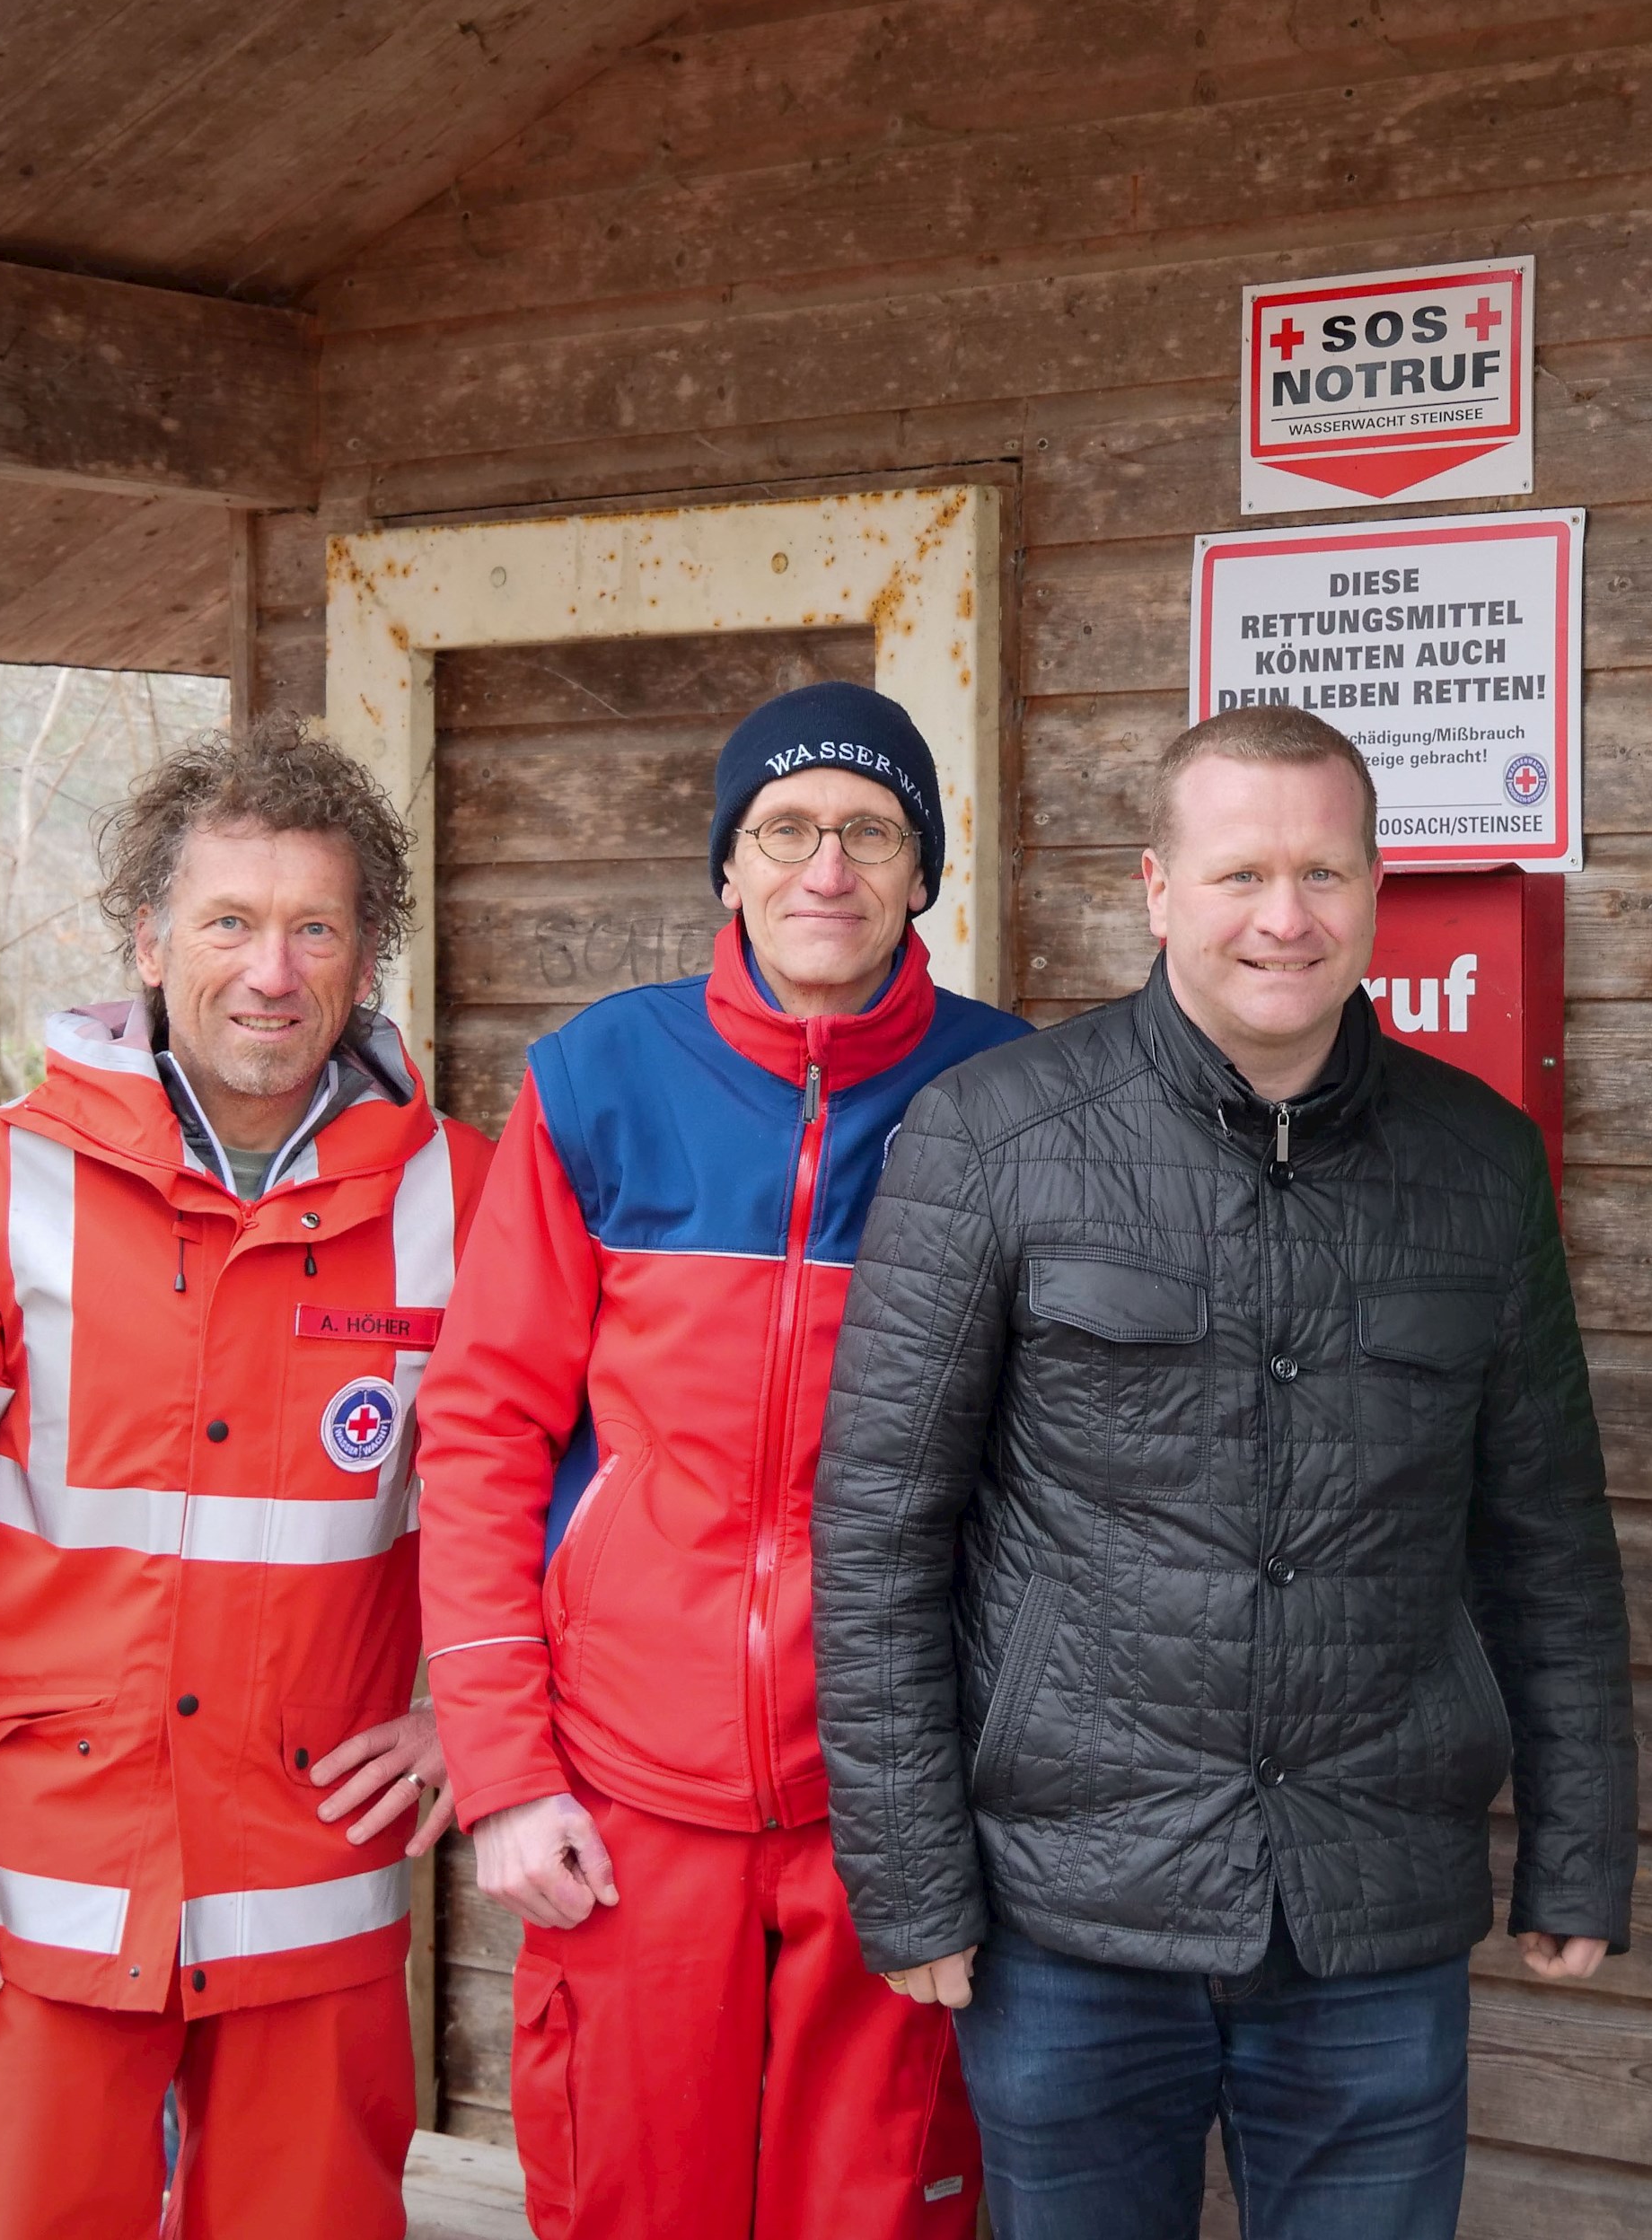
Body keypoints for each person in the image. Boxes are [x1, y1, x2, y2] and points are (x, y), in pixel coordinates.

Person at [811, 705, 1638, 2240]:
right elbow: (877, 1536)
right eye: (1242, 871)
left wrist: (1579, 1845)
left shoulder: (1477, 1162)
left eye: (1324, 873)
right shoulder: (995, 1138)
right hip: (1070, 1908)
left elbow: (1547, 1535)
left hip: (1371, 1902)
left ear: (1378, 891)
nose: (1284, 916)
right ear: (1155, 888)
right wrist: (912, 1879)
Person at [0, 722, 496, 2240]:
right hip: (47, 1880)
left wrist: (474, 1719)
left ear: (364, 954)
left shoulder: (471, 1193)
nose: (272, 971)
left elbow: (562, 1499)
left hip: (314, 1872)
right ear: (147, 939)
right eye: (230, 923)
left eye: (315, 927)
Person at [418, 681, 1024, 2240]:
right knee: (635, 2205)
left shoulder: (1015, 1101)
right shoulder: (596, 1082)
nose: (828, 869)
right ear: (730, 865)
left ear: (922, 871)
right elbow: (485, 1431)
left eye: (871, 833)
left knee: (878, 2209)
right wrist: (502, 1774)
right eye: (786, 830)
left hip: (894, 1801)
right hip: (627, 1803)